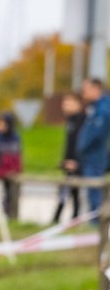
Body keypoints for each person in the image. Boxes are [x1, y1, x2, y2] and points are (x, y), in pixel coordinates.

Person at [77, 77, 110, 218]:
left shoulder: (103, 108)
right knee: (92, 193)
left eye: (85, 90)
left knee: (95, 193)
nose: (83, 94)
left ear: (95, 89)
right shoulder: (95, 107)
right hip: (91, 156)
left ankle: (97, 225)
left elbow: (97, 133)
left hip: (96, 157)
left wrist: (83, 147)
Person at [54, 91, 84, 223]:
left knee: (72, 191)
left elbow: (79, 144)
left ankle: (58, 219)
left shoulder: (81, 121)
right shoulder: (70, 121)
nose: (64, 106)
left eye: (68, 103)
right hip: (69, 162)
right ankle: (72, 218)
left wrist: (75, 161)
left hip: (76, 163)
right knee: (71, 192)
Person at [0, 112, 23, 219]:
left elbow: (18, 156)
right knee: (5, 196)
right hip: (1, 172)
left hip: (13, 173)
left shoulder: (15, 138)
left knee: (14, 196)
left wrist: (16, 170)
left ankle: (13, 217)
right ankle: (7, 214)